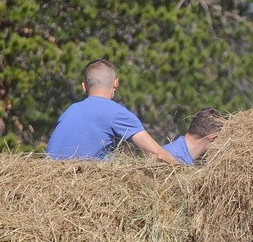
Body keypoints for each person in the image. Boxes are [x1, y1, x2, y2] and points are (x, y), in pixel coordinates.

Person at [45, 59, 178, 164]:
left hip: (50, 182)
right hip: (85, 187)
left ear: (84, 87)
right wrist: (183, 170)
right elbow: (157, 154)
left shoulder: (70, 110)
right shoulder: (116, 113)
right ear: (116, 83)